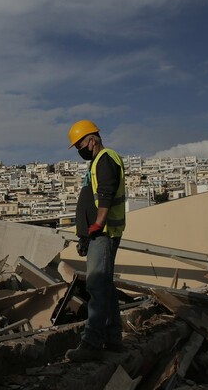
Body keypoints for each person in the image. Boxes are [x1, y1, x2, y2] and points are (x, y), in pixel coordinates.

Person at [65, 119, 126, 362]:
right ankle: (113, 340)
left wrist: (98, 223)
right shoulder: (96, 163)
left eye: (80, 145)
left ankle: (91, 343)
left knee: (97, 286)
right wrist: (85, 234)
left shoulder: (105, 158)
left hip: (104, 232)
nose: (79, 150)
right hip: (97, 234)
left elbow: (107, 193)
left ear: (91, 140)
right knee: (106, 288)